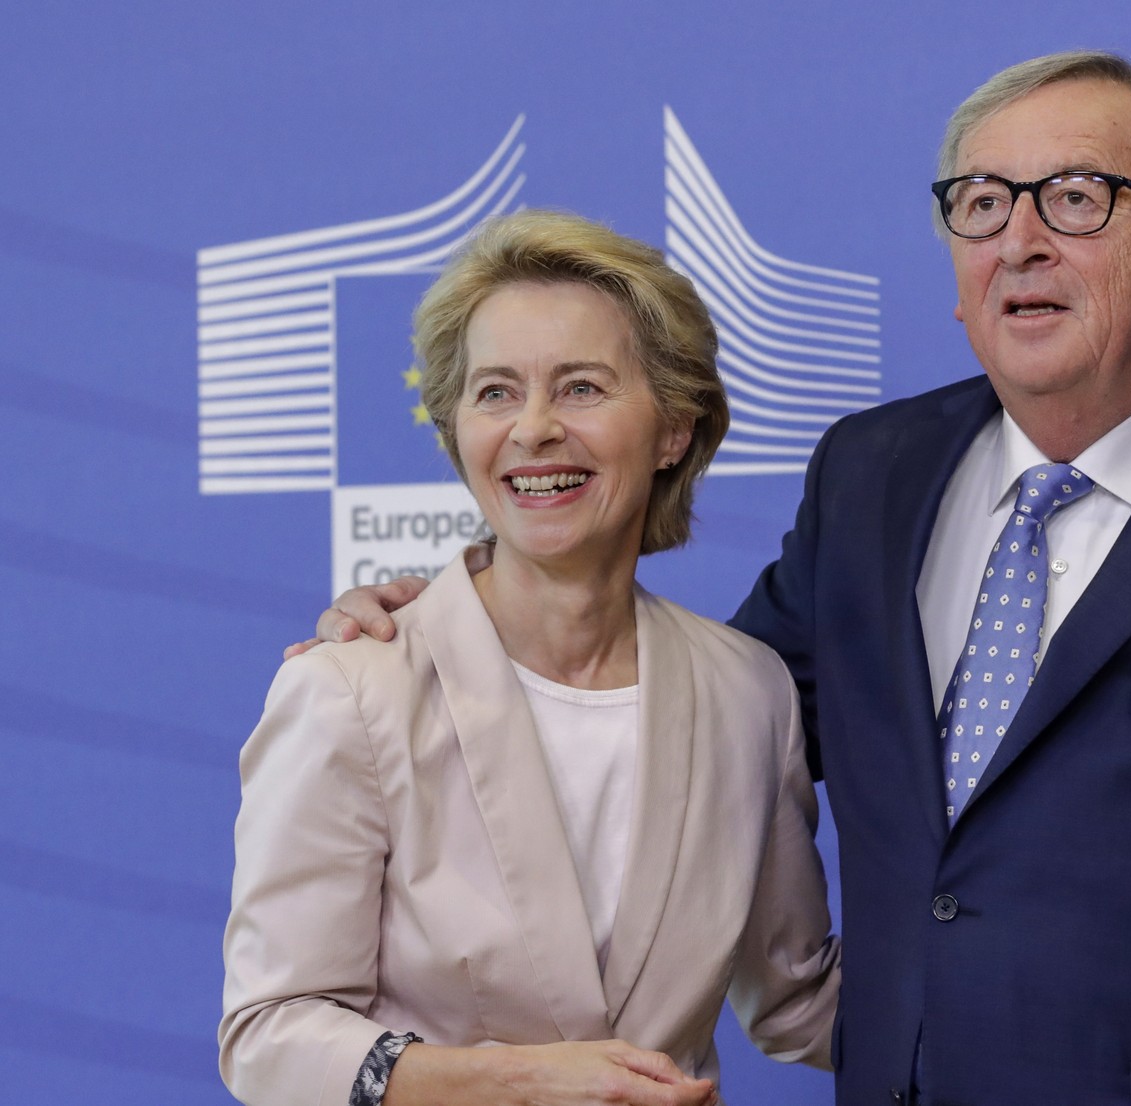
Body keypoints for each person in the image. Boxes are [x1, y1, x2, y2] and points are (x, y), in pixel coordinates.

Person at [304, 52, 1131, 1105]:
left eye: (1075, 199)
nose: (1018, 240)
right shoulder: (873, 475)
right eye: (982, 204)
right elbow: (695, 706)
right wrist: (456, 628)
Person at [222, 211, 840, 1106]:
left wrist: (1087, 998)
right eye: (496, 392)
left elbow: (798, 1003)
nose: (535, 429)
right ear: (456, 431)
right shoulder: (353, 687)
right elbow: (270, 1034)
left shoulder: (750, 694)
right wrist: (514, 1082)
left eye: (582, 388)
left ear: (674, 429)